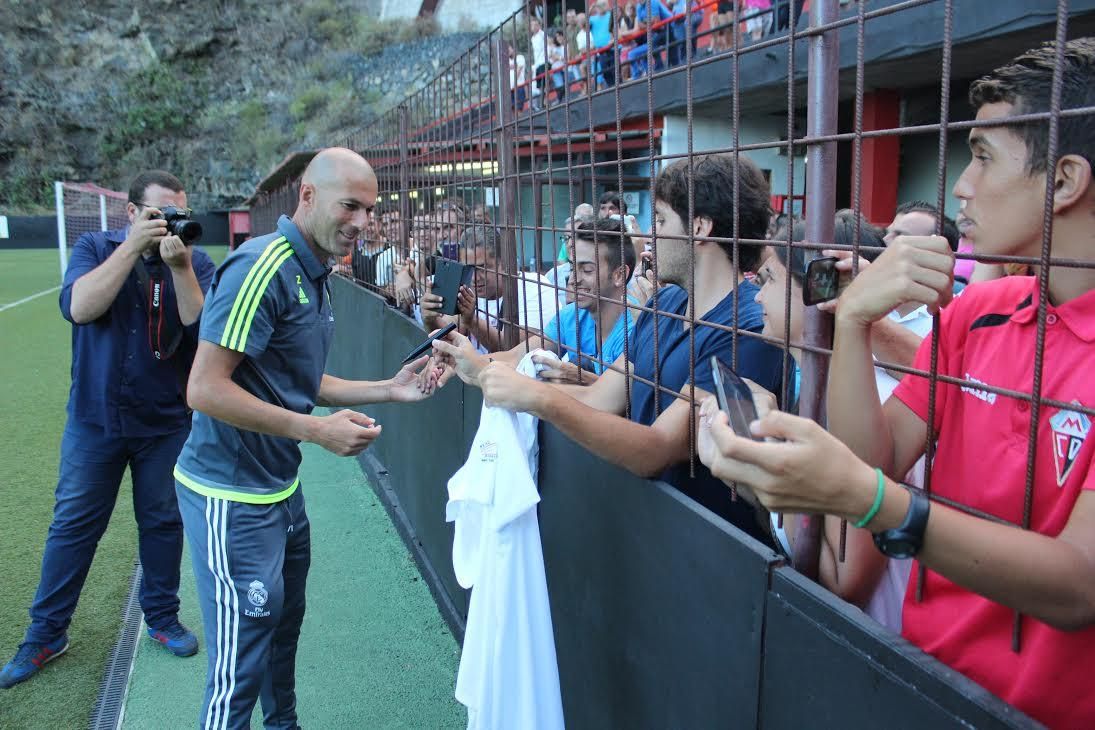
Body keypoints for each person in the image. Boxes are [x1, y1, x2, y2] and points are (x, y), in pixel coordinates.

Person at [696, 39, 1095, 728]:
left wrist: (875, 504)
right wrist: (851, 322)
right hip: (916, 675)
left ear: (1062, 181)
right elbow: (874, 462)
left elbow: (1077, 584)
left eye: (979, 156)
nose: (960, 187)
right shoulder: (980, 311)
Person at [172, 147, 437, 728]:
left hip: (277, 489)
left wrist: (388, 389)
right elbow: (205, 389)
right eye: (351, 206)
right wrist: (315, 431)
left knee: (282, 628)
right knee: (238, 666)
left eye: (370, 210)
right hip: (230, 494)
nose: (363, 223)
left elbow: (296, 379)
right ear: (309, 197)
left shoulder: (314, 272)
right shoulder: (261, 267)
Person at [433, 153, 784, 537]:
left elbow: (656, 449)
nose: (651, 234)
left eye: (663, 220)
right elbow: (603, 397)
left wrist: (534, 396)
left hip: (705, 542)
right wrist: (481, 371)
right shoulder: (665, 303)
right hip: (645, 523)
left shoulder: (747, 327)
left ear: (699, 227)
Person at [1, 170, 216, 689]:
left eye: (179, 212)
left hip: (165, 420)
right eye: (160, 213)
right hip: (95, 418)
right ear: (131, 214)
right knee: (73, 525)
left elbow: (202, 327)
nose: (172, 222)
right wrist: (131, 252)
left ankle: (161, 618)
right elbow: (79, 307)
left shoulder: (195, 259)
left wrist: (180, 265)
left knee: (163, 522)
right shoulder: (95, 246)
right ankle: (46, 633)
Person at [426, 217, 638, 390]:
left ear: (620, 275)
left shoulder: (636, 328)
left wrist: (587, 381)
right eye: (573, 268)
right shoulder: (570, 316)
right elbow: (517, 356)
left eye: (587, 270)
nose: (574, 279)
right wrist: (462, 361)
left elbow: (630, 400)